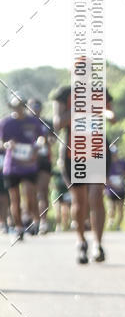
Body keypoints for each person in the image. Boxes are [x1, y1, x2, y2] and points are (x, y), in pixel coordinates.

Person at [52, 79, 114, 264]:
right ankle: (81, 242)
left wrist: (107, 113)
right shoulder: (64, 93)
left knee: (96, 197)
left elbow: (111, 114)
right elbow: (58, 123)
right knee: (80, 202)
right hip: (74, 154)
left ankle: (98, 244)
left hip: (97, 152)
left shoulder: (101, 91)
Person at [0, 95, 44, 240]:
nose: (18, 108)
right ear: (11, 107)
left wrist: (37, 148)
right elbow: (1, 142)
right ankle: (18, 228)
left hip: (29, 165)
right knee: (15, 199)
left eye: (20, 105)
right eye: (15, 106)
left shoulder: (33, 121)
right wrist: (7, 145)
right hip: (12, 166)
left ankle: (31, 219)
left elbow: (41, 137)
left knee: (30, 195)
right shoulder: (5, 123)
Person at [28, 98, 53, 235]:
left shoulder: (47, 123)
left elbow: (53, 139)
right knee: (30, 193)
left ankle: (43, 222)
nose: (35, 109)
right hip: (27, 162)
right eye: (32, 107)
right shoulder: (24, 123)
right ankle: (34, 220)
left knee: (42, 192)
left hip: (44, 160)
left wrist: (49, 141)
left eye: (38, 106)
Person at [105, 142, 125, 229]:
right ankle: (110, 223)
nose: (114, 155)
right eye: (112, 154)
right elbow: (105, 178)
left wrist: (123, 173)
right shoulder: (107, 164)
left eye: (115, 153)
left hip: (121, 189)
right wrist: (113, 185)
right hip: (111, 190)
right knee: (111, 209)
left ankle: (118, 225)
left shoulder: (122, 162)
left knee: (121, 209)